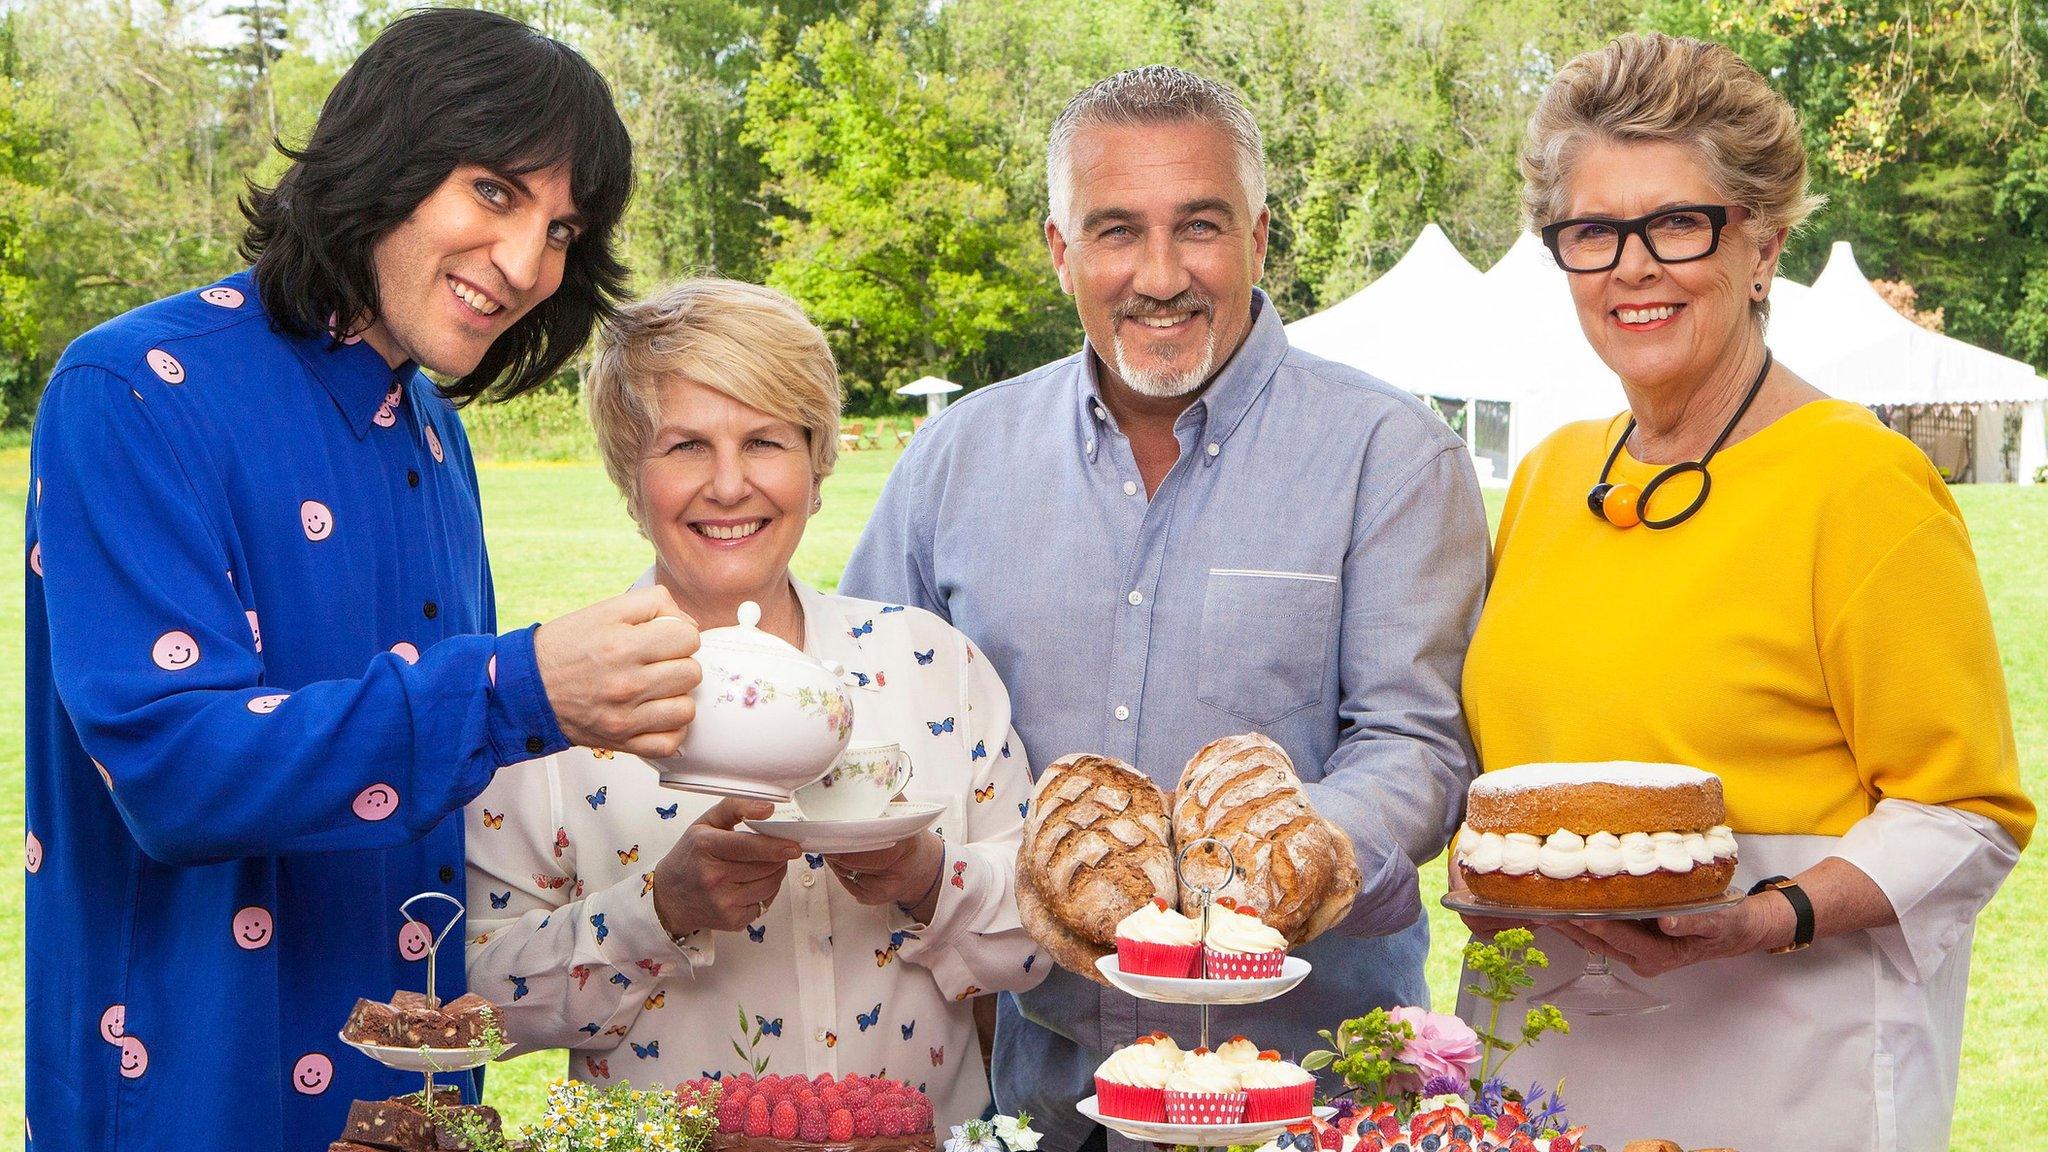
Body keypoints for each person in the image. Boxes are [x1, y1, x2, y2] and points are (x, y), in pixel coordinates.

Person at [21, 12, 704, 1150]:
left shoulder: (438, 436)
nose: (529, 265)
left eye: (562, 228)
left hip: (416, 1109)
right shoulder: (134, 388)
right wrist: (516, 687)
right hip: (193, 1098)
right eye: (493, 192)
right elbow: (173, 772)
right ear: (383, 156)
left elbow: (434, 784)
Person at [839, 66, 1489, 1151]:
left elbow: (1416, 746)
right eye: (1113, 231)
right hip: (1039, 1090)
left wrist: (1279, 870)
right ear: (1058, 250)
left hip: (1303, 1095)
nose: (1158, 275)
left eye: (1198, 225)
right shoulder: (957, 458)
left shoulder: (1389, 454)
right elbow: (875, 713)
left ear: (1257, 238)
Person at [1451, 32, 2034, 1152]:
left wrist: (1765, 917)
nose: (1631, 267)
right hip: (1542, 1058)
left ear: (1760, 243)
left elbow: (1965, 816)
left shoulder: (1859, 482)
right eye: (1591, 232)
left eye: (1676, 223)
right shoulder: (1548, 477)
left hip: (1777, 1065)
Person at [465, 279, 1046, 1123]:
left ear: (818, 467)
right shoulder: (553, 704)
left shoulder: (930, 666)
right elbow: (479, 1002)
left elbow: (1039, 934)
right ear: (631, 477)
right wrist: (656, 914)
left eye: (766, 441)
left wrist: (926, 877)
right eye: (687, 447)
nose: (730, 485)